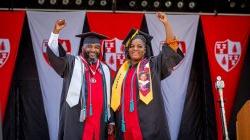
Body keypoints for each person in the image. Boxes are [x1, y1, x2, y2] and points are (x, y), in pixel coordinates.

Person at [111, 12, 184, 140]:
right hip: (125, 125)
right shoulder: (121, 71)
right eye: (132, 46)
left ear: (145, 50)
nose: (135, 49)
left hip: (148, 126)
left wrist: (166, 24)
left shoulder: (153, 65)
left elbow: (171, 49)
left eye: (140, 46)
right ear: (127, 49)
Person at [47, 19, 114, 140]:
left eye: (96, 47)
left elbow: (110, 98)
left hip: (99, 122)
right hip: (76, 121)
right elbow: (54, 55)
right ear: (82, 48)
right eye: (89, 46)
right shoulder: (72, 63)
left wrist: (111, 120)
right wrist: (55, 32)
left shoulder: (105, 69)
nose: (93, 50)